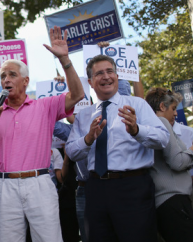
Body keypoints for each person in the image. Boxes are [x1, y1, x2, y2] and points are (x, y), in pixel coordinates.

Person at [0, 26, 84, 242]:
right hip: (4, 186)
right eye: (2, 76)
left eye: (12, 75)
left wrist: (65, 59)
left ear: (25, 81)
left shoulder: (44, 106)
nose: (6, 80)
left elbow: (77, 95)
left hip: (39, 183)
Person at [65, 55, 169, 242]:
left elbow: (162, 140)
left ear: (116, 76)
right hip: (96, 189)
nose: (106, 76)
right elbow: (72, 152)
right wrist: (88, 139)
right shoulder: (84, 115)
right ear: (90, 81)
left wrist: (137, 130)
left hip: (132, 187)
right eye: (99, 73)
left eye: (109, 71)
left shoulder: (137, 105)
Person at [145, 87, 193, 242]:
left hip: (166, 202)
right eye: (173, 108)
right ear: (162, 107)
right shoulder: (161, 122)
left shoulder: (147, 125)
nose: (176, 113)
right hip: (173, 200)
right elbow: (177, 162)